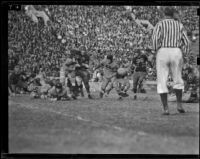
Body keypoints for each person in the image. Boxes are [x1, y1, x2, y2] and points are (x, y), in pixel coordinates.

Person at [152, 7, 190, 115]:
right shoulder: (179, 25)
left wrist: (156, 50)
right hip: (176, 51)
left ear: (164, 14)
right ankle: (179, 104)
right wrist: (185, 53)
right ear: (173, 14)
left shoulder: (159, 24)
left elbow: (155, 39)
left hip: (163, 50)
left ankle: (165, 108)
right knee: (177, 78)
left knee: (162, 80)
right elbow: (186, 42)